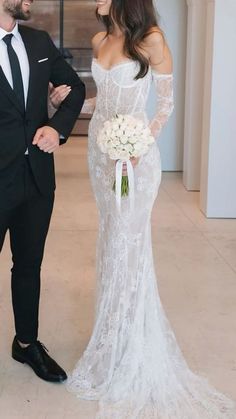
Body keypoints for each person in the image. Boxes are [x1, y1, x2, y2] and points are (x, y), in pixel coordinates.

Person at [52, 0, 235, 417]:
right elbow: (102, 101)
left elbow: (165, 105)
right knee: (109, 244)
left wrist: (137, 147)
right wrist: (69, 102)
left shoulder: (152, 40)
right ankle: (110, 340)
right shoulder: (100, 39)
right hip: (100, 156)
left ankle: (130, 347)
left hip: (134, 159)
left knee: (127, 248)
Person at [0, 0, 85, 383]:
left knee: (29, 265)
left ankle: (26, 342)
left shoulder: (38, 42)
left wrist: (57, 125)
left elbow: (77, 88)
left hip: (36, 178)